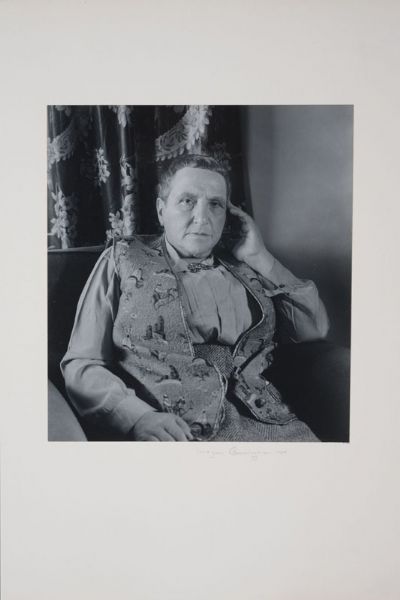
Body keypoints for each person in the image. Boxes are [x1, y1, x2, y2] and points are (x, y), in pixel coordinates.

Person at [61, 154, 329, 442]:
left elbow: (314, 330)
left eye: (215, 204)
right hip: (175, 428)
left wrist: (260, 256)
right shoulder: (123, 258)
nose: (202, 217)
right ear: (161, 210)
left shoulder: (246, 265)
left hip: (270, 425)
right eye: (187, 201)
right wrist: (138, 417)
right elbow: (82, 364)